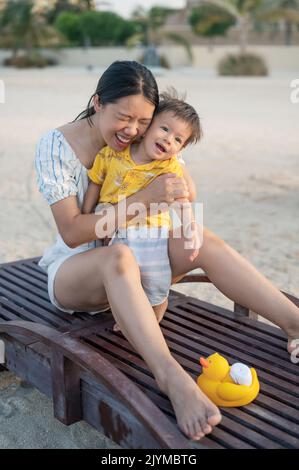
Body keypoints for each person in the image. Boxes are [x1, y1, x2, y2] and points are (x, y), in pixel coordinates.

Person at [35, 60, 299, 442]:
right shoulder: (56, 146)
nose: (132, 130)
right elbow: (74, 232)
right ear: (97, 102)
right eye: (124, 118)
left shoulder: (149, 142)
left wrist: (179, 201)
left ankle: (293, 321)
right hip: (79, 274)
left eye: (143, 121)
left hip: (143, 259)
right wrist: (142, 200)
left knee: (202, 239)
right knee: (117, 257)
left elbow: (183, 187)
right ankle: (173, 379)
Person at [82, 89, 202, 329]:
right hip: (116, 227)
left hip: (151, 232)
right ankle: (129, 318)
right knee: (125, 279)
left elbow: (183, 200)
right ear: (148, 126)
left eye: (178, 140)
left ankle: (157, 310)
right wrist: (87, 215)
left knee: (154, 278)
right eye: (165, 129)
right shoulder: (112, 154)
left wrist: (190, 229)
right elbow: (95, 183)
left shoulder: (169, 168)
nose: (169, 140)